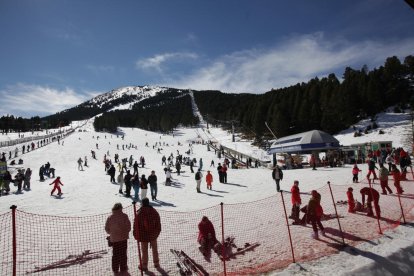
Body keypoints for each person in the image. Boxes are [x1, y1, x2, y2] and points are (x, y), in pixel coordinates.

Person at [133, 198, 161, 271]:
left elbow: (136, 225)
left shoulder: (139, 213)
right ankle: (156, 263)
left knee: (144, 251)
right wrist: (157, 232)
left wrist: (135, 235)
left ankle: (144, 265)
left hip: (143, 235)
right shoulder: (154, 211)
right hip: (153, 234)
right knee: (155, 249)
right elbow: (158, 222)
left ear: (142, 203)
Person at [105, 203, 131, 274]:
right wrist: (125, 232)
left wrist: (112, 233)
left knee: (115, 254)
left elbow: (107, 229)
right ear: (121, 208)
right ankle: (123, 267)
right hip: (123, 238)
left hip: (114, 239)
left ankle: (115, 269)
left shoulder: (110, 217)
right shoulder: (125, 216)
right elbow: (128, 227)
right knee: (123, 253)